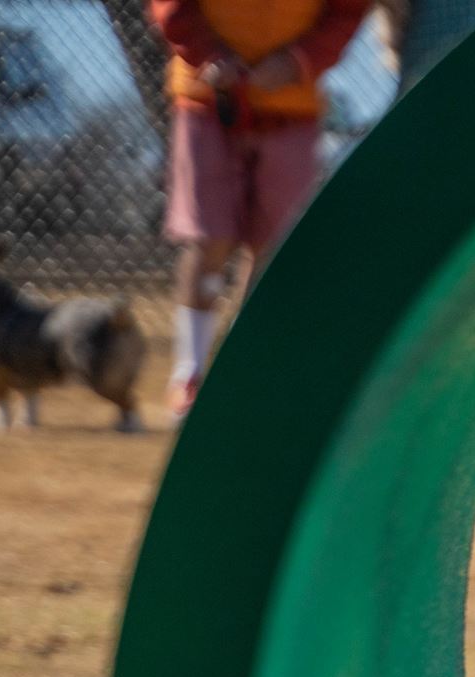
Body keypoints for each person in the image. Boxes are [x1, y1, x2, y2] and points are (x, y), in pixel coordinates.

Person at [149, 0, 370, 417]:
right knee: (208, 238)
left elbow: (347, 11)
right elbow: (171, 7)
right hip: (207, 97)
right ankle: (189, 374)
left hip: (292, 104)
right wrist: (208, 54)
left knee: (275, 248)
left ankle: (244, 370)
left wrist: (296, 61)